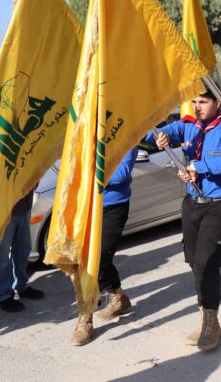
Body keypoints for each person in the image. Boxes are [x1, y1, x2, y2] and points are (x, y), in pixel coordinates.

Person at [145, 88, 221, 351]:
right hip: (192, 204)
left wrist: (196, 166)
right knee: (193, 261)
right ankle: (206, 314)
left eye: (203, 101)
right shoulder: (188, 125)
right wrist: (160, 136)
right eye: (194, 101)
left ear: (217, 103)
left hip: (220, 205)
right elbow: (148, 134)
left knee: (207, 264)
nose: (197, 107)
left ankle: (210, 320)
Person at [72, 147, 138, 346]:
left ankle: (85, 319)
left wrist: (89, 172)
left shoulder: (124, 130)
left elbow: (120, 174)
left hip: (114, 207)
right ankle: (118, 296)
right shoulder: (89, 131)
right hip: (86, 204)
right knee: (84, 260)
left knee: (99, 259)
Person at [0, 188, 44, 312]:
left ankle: (20, 286)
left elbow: (34, 181)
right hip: (3, 211)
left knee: (23, 251)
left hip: (24, 207)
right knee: (1, 257)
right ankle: (1, 297)